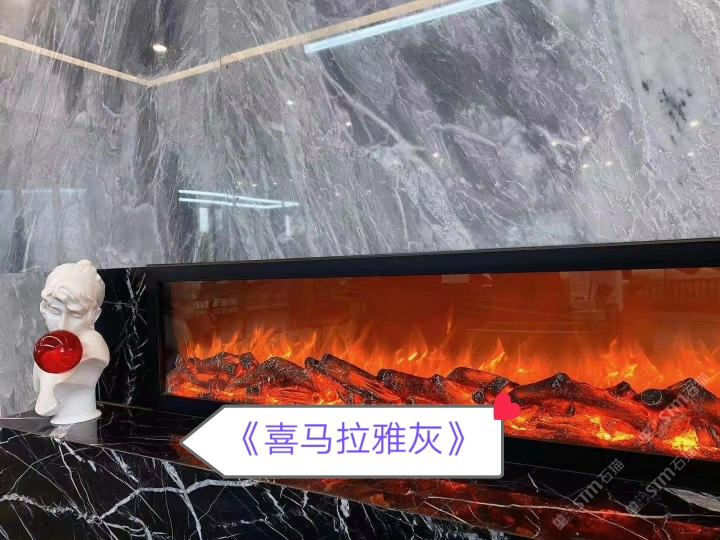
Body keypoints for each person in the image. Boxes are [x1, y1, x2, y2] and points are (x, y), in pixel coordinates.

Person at [33, 260, 109, 424]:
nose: (62, 325)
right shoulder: (47, 349)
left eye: (75, 315)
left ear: (94, 316)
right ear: (44, 310)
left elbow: (46, 404)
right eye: (55, 311)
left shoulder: (94, 351)